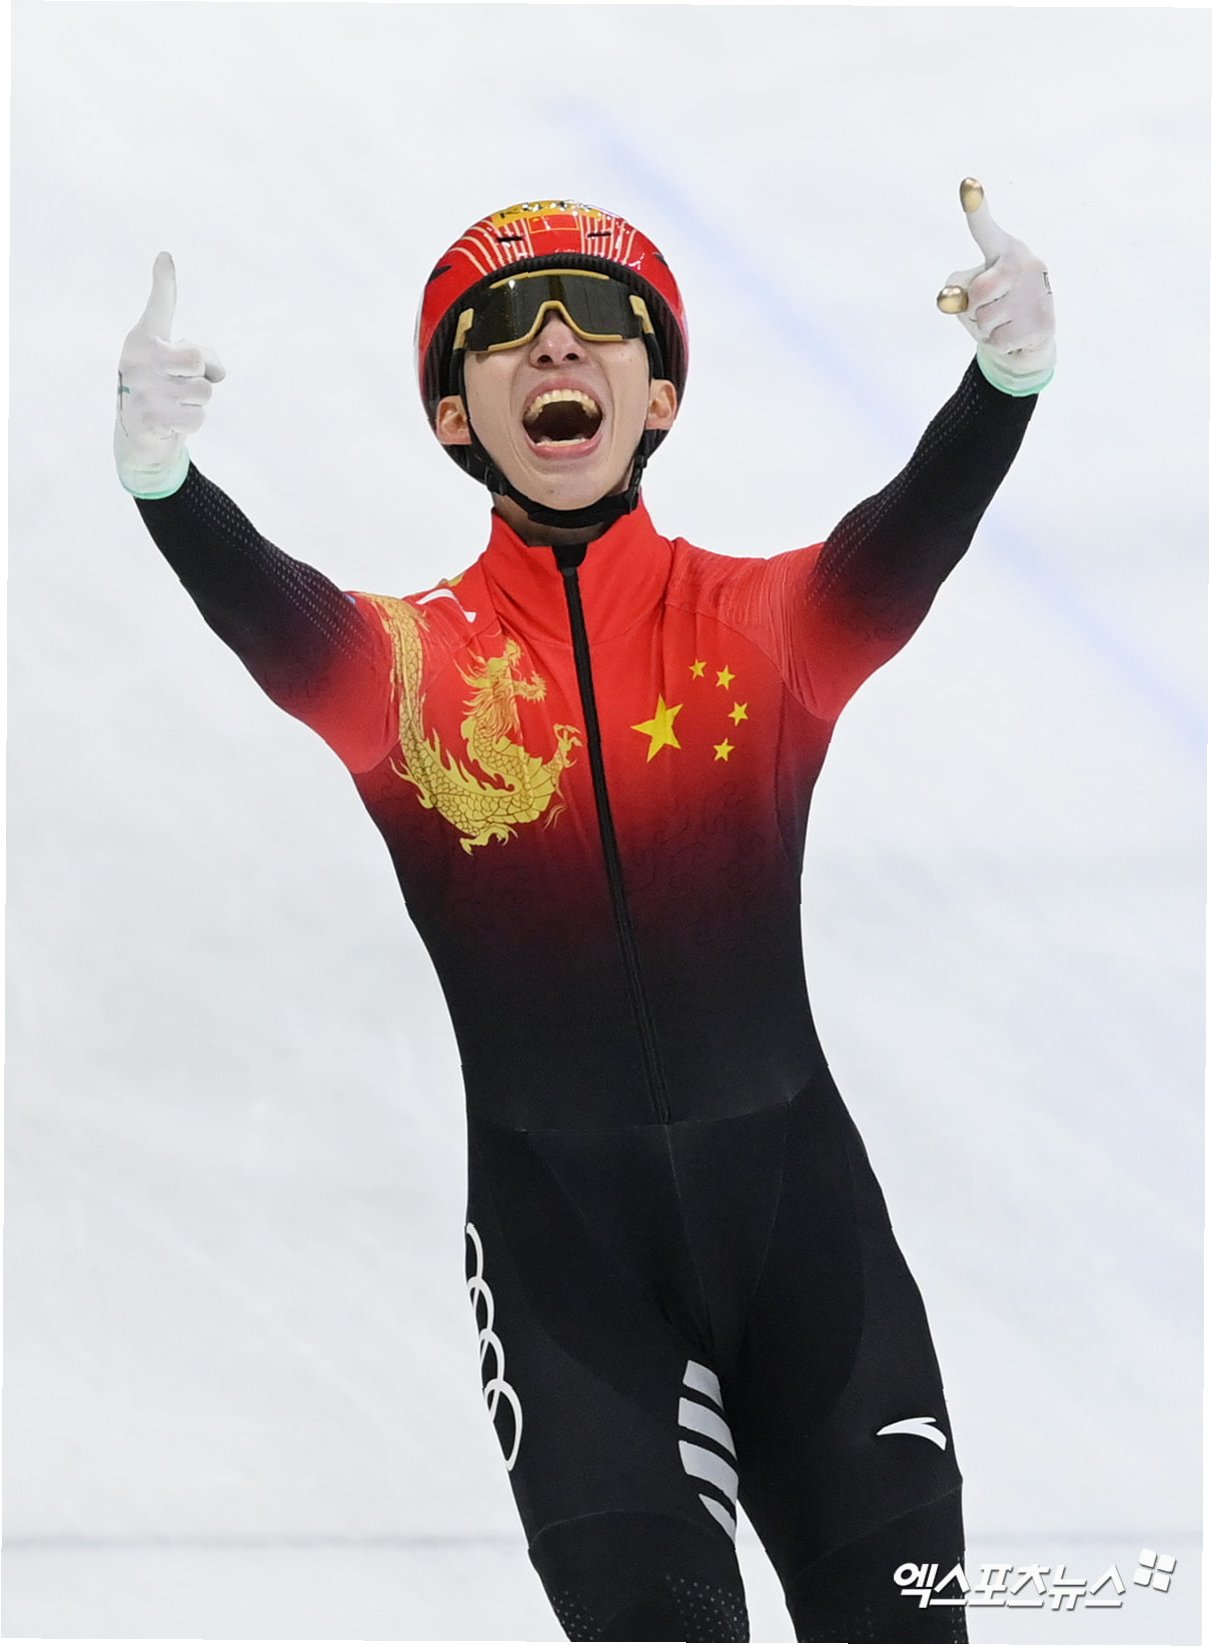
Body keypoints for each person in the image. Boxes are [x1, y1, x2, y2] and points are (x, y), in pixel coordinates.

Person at [114, 188, 1054, 1643]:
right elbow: (277, 620)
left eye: (601, 319)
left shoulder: (765, 634)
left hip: (809, 1252)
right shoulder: (412, 679)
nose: (555, 341)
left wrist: (1003, 385)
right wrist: (167, 483)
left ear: (657, 394)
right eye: (504, 327)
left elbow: (905, 541)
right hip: (574, 1289)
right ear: (455, 417)